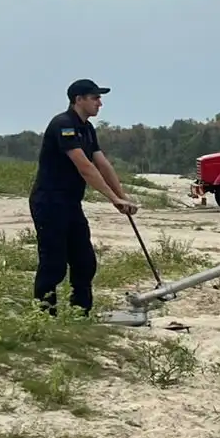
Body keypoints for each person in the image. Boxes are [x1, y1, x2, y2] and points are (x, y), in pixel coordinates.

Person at [30, 79, 138, 315]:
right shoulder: (63, 125)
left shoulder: (87, 128)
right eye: (95, 98)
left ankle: (81, 313)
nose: (100, 103)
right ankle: (43, 315)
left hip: (70, 203)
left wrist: (122, 197)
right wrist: (112, 198)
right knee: (54, 264)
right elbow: (85, 167)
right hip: (49, 202)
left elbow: (102, 164)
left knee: (84, 261)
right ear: (78, 99)